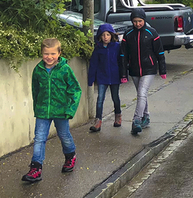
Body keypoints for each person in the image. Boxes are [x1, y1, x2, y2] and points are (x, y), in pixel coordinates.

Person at [22, 38, 82, 183]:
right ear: (42, 53)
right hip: (43, 111)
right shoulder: (38, 70)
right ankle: (36, 167)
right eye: (46, 54)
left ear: (59, 53)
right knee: (39, 138)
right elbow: (35, 90)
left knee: (64, 135)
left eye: (53, 54)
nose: (49, 57)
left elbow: (75, 90)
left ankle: (70, 156)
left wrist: (70, 109)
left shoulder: (65, 69)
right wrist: (37, 108)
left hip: (61, 111)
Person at [119, 8, 166, 135]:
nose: (137, 24)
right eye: (135, 21)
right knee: (142, 95)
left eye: (140, 21)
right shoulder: (128, 35)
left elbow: (160, 52)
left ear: (144, 20)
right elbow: (123, 55)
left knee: (142, 93)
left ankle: (136, 120)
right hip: (134, 69)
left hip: (149, 68)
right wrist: (124, 74)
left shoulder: (152, 33)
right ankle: (146, 117)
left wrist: (162, 69)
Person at [88, 24, 122, 132]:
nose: (105, 37)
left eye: (107, 35)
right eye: (103, 35)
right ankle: (98, 121)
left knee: (115, 97)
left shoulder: (117, 47)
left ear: (112, 35)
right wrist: (91, 79)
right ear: (100, 37)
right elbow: (93, 64)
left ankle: (118, 115)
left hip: (115, 76)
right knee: (100, 99)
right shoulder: (98, 49)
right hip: (102, 77)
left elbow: (122, 62)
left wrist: (124, 75)